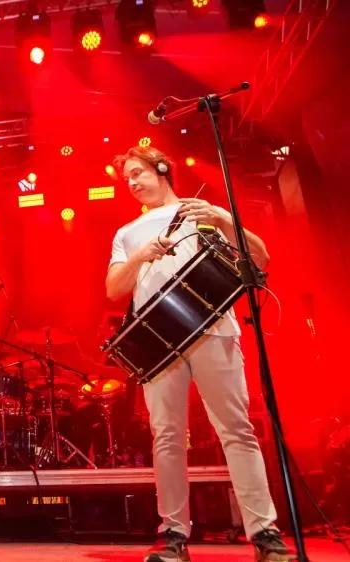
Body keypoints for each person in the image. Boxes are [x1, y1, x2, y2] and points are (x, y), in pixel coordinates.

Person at [106, 146, 295, 562]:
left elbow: (260, 257)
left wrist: (225, 219)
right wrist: (140, 255)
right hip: (158, 342)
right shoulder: (126, 233)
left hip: (214, 329)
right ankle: (172, 533)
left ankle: (264, 532)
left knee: (237, 429)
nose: (132, 183)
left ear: (162, 169)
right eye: (127, 179)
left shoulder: (204, 212)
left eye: (138, 173)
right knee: (167, 437)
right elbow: (113, 288)